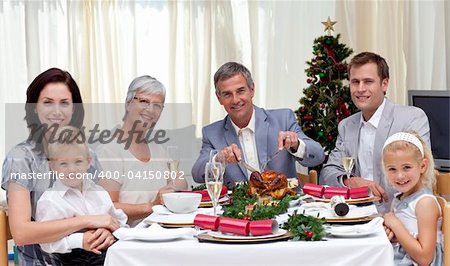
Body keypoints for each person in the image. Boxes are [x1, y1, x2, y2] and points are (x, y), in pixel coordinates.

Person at [1, 68, 119, 265]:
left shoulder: (87, 154)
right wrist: (88, 221)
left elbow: (106, 207)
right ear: (34, 108)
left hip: (95, 258)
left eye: (64, 103)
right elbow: (21, 233)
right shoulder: (21, 158)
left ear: (74, 109)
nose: (57, 111)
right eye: (47, 102)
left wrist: (106, 231)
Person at [319, 52, 430, 212]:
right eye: (355, 82)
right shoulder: (346, 126)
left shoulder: (412, 118)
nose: (360, 89)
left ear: (384, 84)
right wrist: (351, 181)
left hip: (401, 216)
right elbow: (328, 173)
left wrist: (394, 222)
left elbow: (420, 177)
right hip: (355, 215)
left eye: (368, 82)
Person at [191, 62, 325, 186]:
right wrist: (219, 159)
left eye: (240, 91)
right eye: (227, 94)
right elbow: (197, 174)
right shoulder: (211, 133)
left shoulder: (283, 119)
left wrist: (296, 145)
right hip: (238, 209)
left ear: (252, 89)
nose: (235, 100)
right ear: (219, 98)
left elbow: (318, 156)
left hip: (286, 206)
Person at [96, 75, 187, 227]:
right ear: (128, 103)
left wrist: (173, 187)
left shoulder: (158, 149)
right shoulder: (109, 151)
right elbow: (108, 208)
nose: (150, 110)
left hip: (159, 233)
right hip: (126, 240)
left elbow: (182, 183)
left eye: (157, 105)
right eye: (144, 101)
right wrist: (152, 205)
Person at [36, 126, 128, 265]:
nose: (72, 169)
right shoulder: (50, 201)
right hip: (74, 259)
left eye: (78, 162)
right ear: (52, 166)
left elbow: (119, 221)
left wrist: (110, 233)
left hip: (107, 253)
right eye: (63, 164)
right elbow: (46, 242)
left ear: (88, 162)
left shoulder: (98, 192)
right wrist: (79, 240)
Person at [382, 132, 443, 266]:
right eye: (392, 169)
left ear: (422, 166)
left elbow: (425, 259)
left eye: (407, 167)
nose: (400, 176)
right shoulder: (398, 199)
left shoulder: (425, 203)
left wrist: (395, 225)